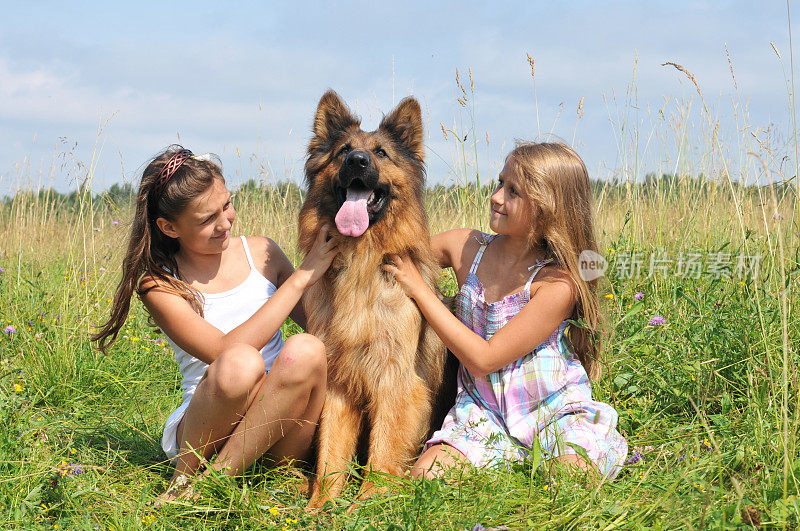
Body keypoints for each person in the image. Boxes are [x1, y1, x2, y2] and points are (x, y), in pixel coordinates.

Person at [92, 146, 338, 502]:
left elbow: (322, 328)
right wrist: (299, 279)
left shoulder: (262, 252)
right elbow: (224, 352)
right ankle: (186, 479)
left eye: (226, 205)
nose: (225, 222)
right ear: (169, 227)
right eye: (208, 219)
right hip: (208, 431)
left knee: (308, 348)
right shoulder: (159, 283)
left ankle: (209, 485)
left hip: (279, 428)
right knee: (241, 362)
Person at [383, 142, 627, 480]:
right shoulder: (466, 246)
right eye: (501, 183)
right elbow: (395, 252)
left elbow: (484, 360)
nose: (497, 197)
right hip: (480, 412)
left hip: (552, 411)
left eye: (514, 192)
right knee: (427, 476)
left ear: (548, 209)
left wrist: (420, 291)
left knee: (571, 477)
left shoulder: (557, 283)